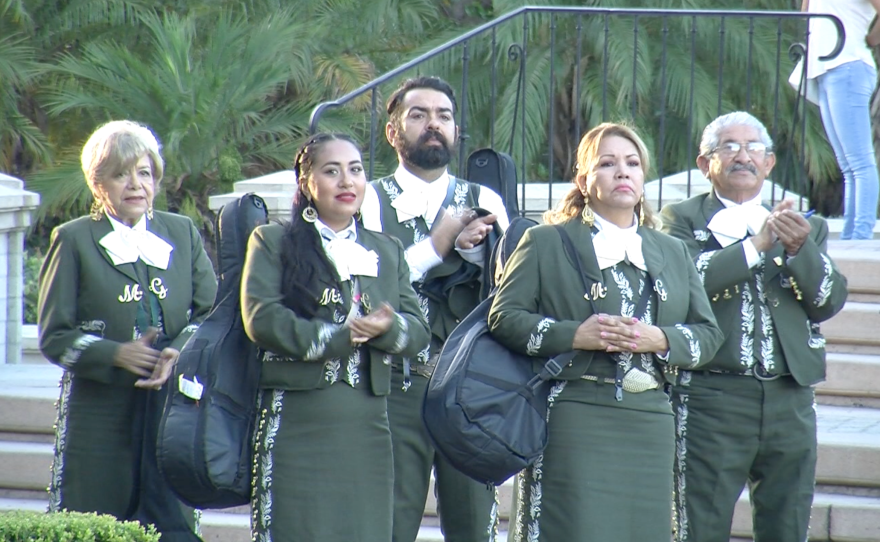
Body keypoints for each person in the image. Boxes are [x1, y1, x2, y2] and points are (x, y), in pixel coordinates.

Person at [487, 122, 723, 542]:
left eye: (632, 164)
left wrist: (662, 339)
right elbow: (504, 318)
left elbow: (708, 334)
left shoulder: (671, 250)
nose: (623, 172)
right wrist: (575, 334)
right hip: (573, 414)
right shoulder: (545, 242)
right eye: (608, 163)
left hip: (651, 419)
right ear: (584, 180)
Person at [660, 111, 849, 542]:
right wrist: (757, 244)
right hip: (712, 395)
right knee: (698, 526)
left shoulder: (806, 226)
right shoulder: (681, 220)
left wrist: (800, 249)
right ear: (704, 163)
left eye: (753, 148)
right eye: (728, 147)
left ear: (769, 163)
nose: (742, 156)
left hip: (790, 396)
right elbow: (685, 285)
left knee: (788, 523)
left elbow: (826, 302)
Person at [240, 132, 430, 542]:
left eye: (356, 170)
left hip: (368, 426)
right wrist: (338, 338)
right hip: (298, 420)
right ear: (307, 183)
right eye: (332, 171)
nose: (347, 181)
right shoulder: (272, 241)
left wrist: (388, 329)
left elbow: (417, 330)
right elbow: (262, 318)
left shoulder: (387, 249)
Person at [38, 120, 217, 541]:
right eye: (121, 174)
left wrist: (180, 352)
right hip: (98, 413)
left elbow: (214, 312)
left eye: (144, 173)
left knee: (171, 525)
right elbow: (53, 335)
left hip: (172, 408)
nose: (135, 184)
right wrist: (115, 354)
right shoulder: (74, 239)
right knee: (94, 523)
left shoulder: (181, 232)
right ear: (98, 184)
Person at [360, 76, 509, 542]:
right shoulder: (367, 198)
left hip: (469, 388)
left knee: (475, 524)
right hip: (393, 386)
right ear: (393, 131)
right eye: (419, 115)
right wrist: (438, 244)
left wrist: (474, 254)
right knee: (390, 522)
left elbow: (512, 286)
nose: (433, 125)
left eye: (443, 116)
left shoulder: (486, 201)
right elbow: (369, 286)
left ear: (455, 130)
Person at [802, 0, 880, 239]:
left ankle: (860, 234)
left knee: (860, 162)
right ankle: (851, 234)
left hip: (848, 66)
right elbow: (805, 14)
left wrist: (872, 39)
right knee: (848, 165)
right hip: (826, 68)